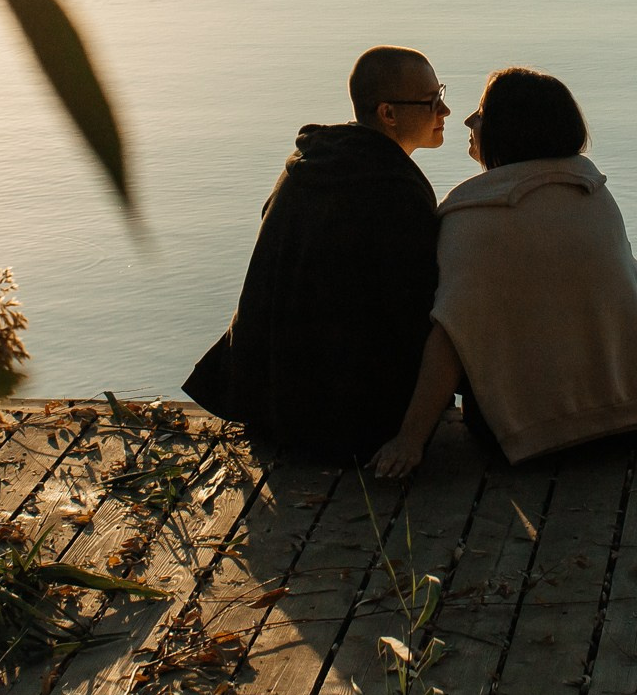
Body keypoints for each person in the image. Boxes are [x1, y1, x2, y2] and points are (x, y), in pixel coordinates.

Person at [372, 68, 637, 477]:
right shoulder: (594, 193)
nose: (468, 121)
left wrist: (410, 439)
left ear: (510, 129)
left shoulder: (472, 215)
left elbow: (452, 334)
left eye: (482, 113)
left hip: (544, 436)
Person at [183, 46, 451, 462]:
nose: (445, 110)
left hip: (267, 399)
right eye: (432, 101)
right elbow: (417, 309)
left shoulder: (308, 163)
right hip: (343, 420)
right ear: (388, 113)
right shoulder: (393, 190)